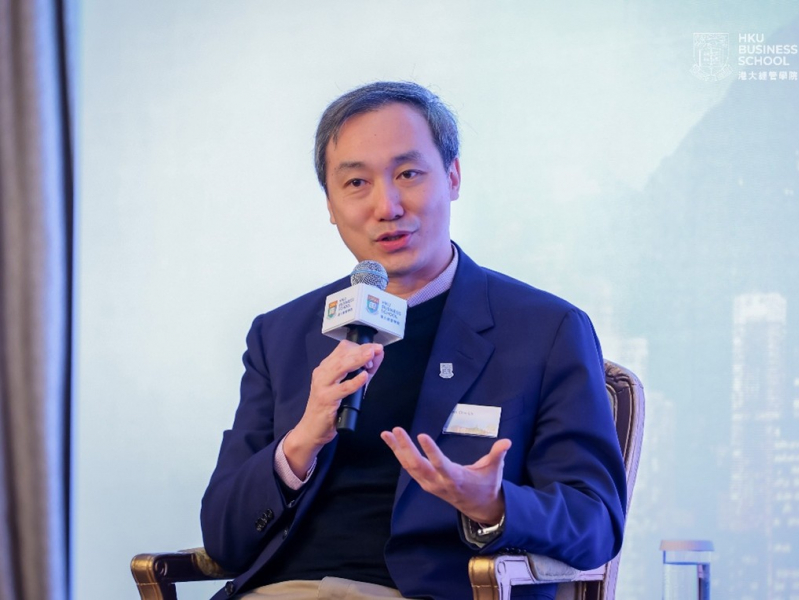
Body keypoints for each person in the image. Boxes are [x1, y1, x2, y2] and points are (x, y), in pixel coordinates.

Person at [200, 81, 627, 600]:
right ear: (330, 205)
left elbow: (595, 522)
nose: (387, 205)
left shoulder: (544, 329)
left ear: (453, 177)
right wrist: (298, 445)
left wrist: (493, 505)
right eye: (356, 183)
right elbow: (222, 536)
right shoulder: (282, 333)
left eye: (408, 174)